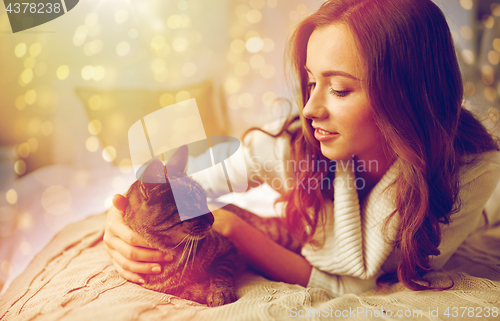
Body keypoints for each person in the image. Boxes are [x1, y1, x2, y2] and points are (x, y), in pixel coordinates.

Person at [103, 0, 500, 296]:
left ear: (406, 95)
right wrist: (120, 218)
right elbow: (187, 185)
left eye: (339, 89)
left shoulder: (469, 172)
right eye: (311, 83)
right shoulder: (293, 145)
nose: (310, 109)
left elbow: (358, 289)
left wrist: (235, 228)